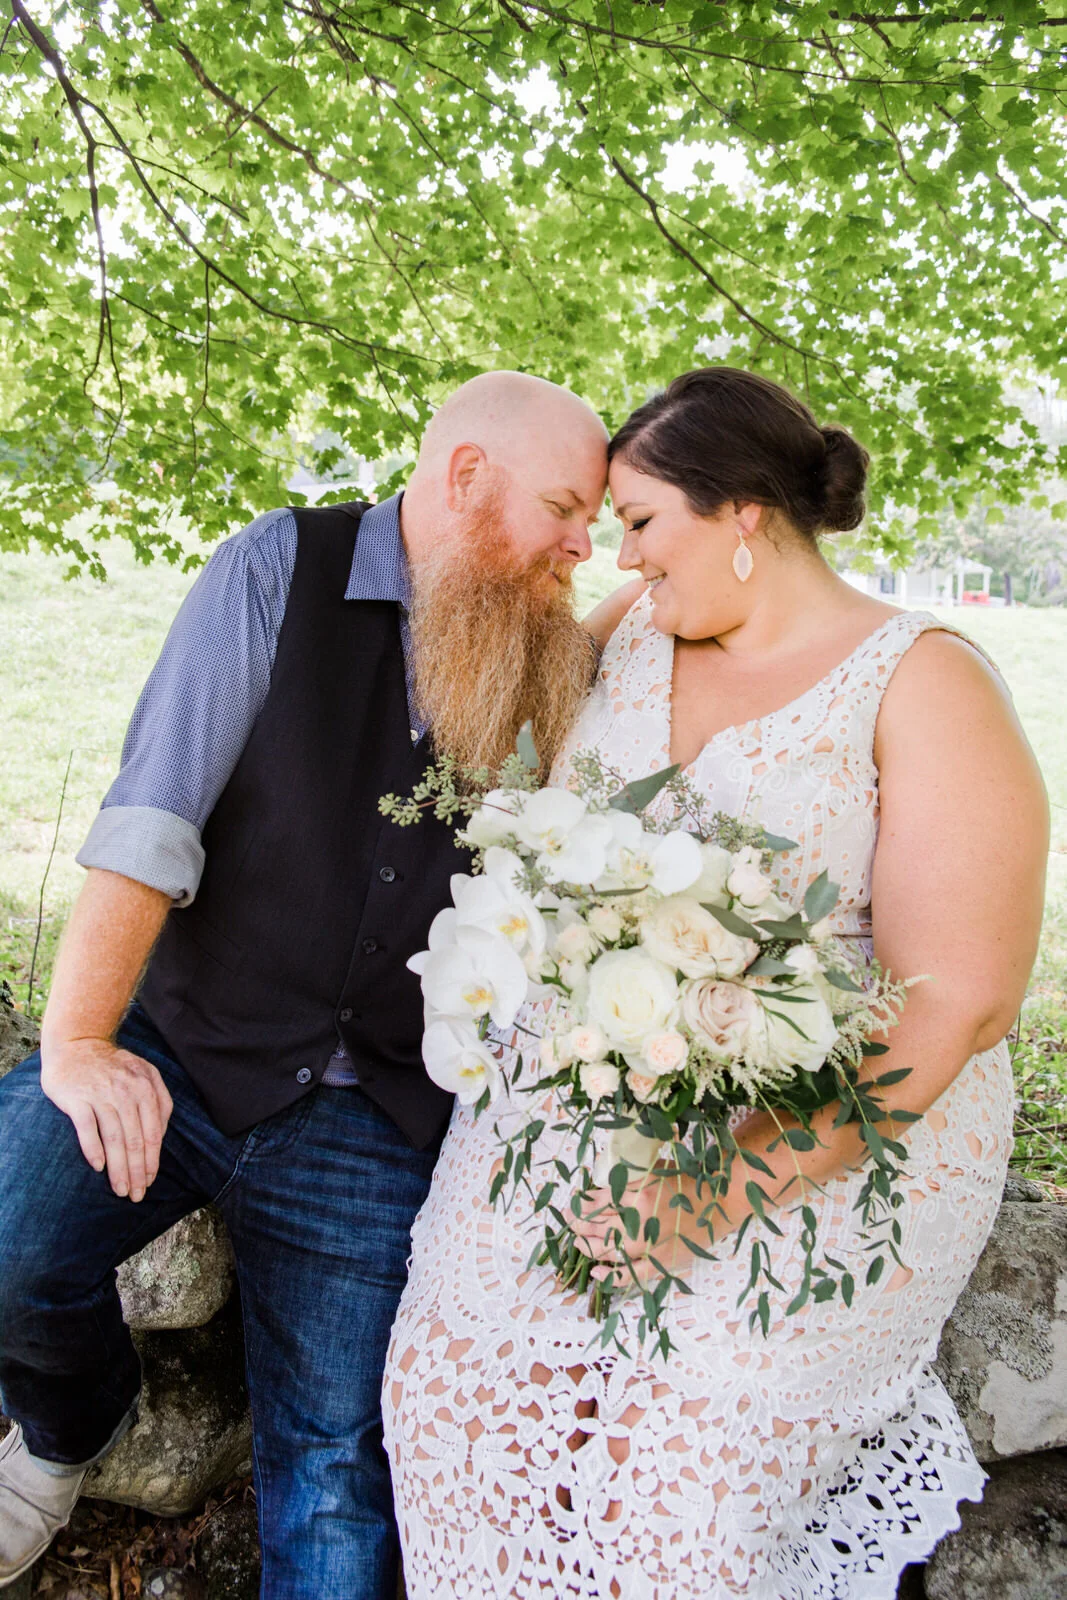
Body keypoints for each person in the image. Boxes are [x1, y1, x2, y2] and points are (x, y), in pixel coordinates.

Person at [383, 367, 1049, 1598]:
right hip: (578, 1101)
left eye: (638, 522)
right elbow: (485, 758)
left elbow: (958, 1003)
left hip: (825, 1139)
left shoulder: (920, 680)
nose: (619, 560)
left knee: (668, 1497)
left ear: (742, 511)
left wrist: (699, 1198)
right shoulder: (631, 636)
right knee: (453, 1408)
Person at [0, 372, 608, 1596]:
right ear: (464, 476)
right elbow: (151, 821)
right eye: (564, 507)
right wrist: (75, 1044)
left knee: (335, 1479)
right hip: (187, 1051)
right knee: (6, 1235)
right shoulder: (274, 568)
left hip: (377, 1116)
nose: (582, 543)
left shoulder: (544, 638)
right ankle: (73, 1430)